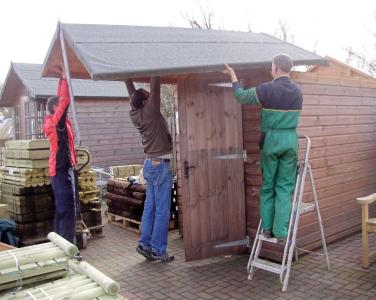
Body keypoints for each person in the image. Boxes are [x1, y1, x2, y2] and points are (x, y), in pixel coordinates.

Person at [223, 54, 303, 241]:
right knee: (284, 187)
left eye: (272, 66)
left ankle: (267, 229)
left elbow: (241, 96)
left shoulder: (267, 89)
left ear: (275, 68)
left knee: (268, 186)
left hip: (271, 141)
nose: (270, 69)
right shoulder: (298, 91)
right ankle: (282, 232)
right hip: (291, 140)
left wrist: (232, 75)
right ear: (289, 69)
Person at [125, 77, 174, 262]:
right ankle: (158, 250)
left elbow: (134, 95)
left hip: (150, 164)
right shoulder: (151, 111)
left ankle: (145, 245)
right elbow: (156, 85)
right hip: (160, 165)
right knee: (162, 211)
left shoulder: (136, 112)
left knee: (150, 208)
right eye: (147, 95)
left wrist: (127, 78)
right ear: (146, 102)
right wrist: (155, 68)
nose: (149, 94)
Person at [43, 74, 77, 243]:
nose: (64, 111)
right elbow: (65, 101)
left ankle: (57, 243)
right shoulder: (56, 123)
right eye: (60, 107)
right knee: (68, 209)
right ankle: (68, 246)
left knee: (61, 209)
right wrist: (65, 77)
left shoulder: (56, 122)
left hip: (61, 170)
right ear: (56, 108)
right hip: (60, 170)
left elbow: (62, 100)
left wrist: (61, 80)